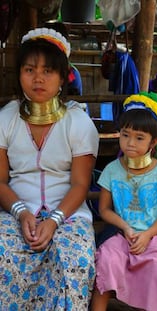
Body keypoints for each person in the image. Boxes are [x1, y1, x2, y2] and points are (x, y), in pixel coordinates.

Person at [0, 27, 99, 309]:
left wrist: (54, 220)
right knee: (3, 252)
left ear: (62, 77)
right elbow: (0, 181)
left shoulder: (77, 123)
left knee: (73, 260)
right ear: (19, 74)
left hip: (67, 213)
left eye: (48, 71)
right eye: (29, 69)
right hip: (15, 210)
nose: (38, 78)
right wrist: (20, 213)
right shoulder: (6, 119)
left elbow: (80, 184)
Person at [91, 92, 157, 311]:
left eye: (139, 138)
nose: (130, 143)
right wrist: (126, 228)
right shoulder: (112, 170)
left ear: (153, 142)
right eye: (125, 134)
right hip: (119, 235)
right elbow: (104, 209)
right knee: (105, 263)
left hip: (154, 238)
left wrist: (147, 234)